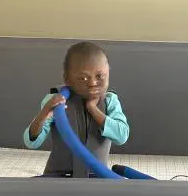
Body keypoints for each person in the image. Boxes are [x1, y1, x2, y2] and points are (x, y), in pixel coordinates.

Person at [23, 41, 130, 178]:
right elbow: (31, 142)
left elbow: (122, 136)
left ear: (108, 72)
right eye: (83, 78)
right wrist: (44, 113)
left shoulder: (110, 101)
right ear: (67, 79)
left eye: (99, 76)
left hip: (97, 176)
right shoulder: (55, 100)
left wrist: (93, 109)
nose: (92, 83)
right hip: (59, 176)